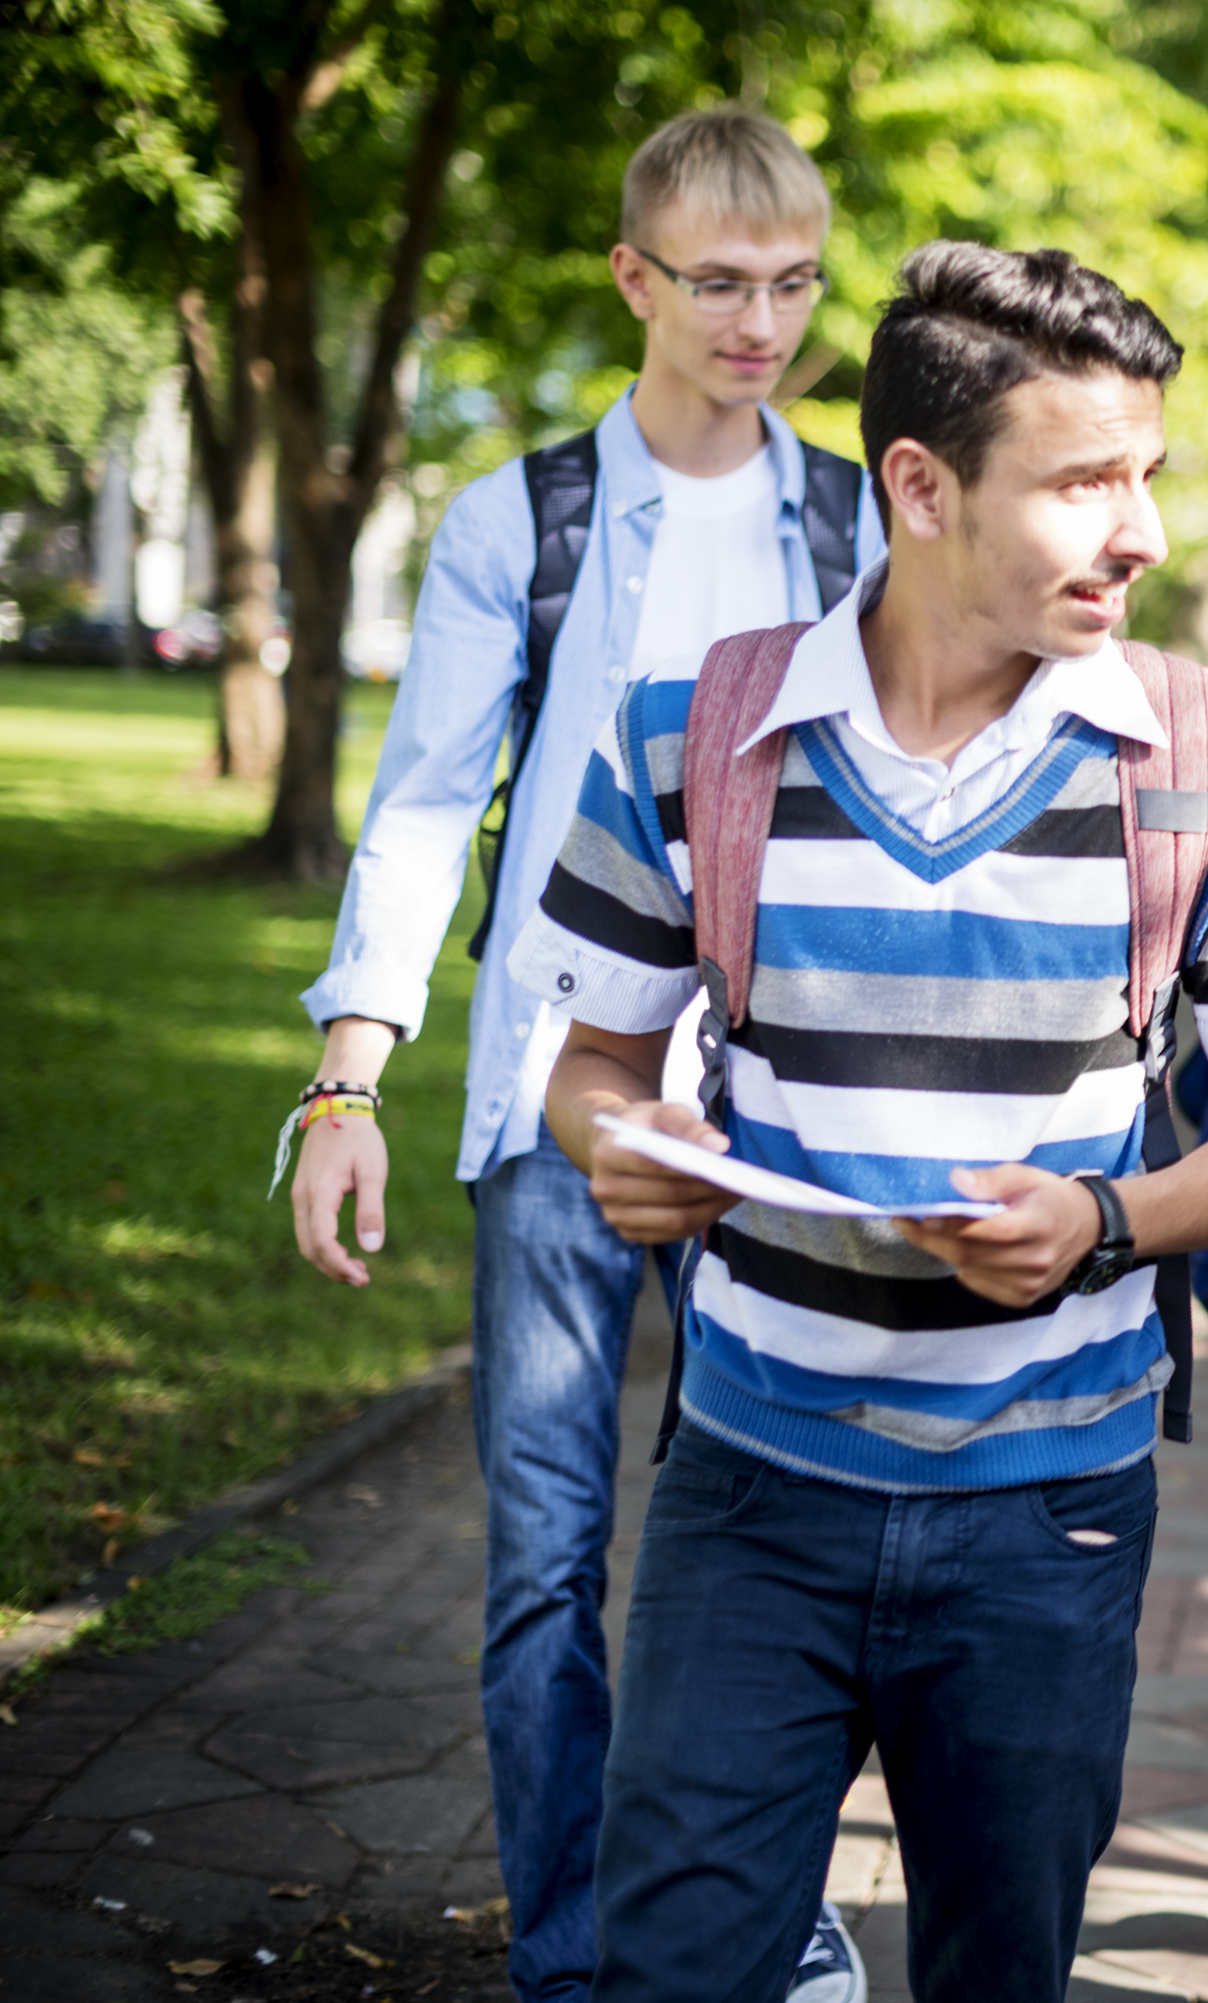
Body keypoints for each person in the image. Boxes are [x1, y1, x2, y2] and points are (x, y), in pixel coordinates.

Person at [507, 240, 1208, 2003]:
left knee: (1000, 1974)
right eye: (1084, 482)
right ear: (918, 484)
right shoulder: (695, 736)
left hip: (1049, 1517)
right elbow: (586, 1061)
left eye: (1151, 475)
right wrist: (620, 1146)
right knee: (670, 1968)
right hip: (749, 1491)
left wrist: (1106, 1222)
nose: (1139, 531)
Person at [282, 105, 886, 2003]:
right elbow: (419, 809)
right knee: (547, 1562)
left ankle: (759, 1928)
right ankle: (570, 1962)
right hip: (566, 1089)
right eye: (720, 283)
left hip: (781, 1108)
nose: (762, 322)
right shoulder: (518, 519)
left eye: (794, 283)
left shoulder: (859, 514)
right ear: (635, 280)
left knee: (777, 1552)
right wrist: (347, 1078)